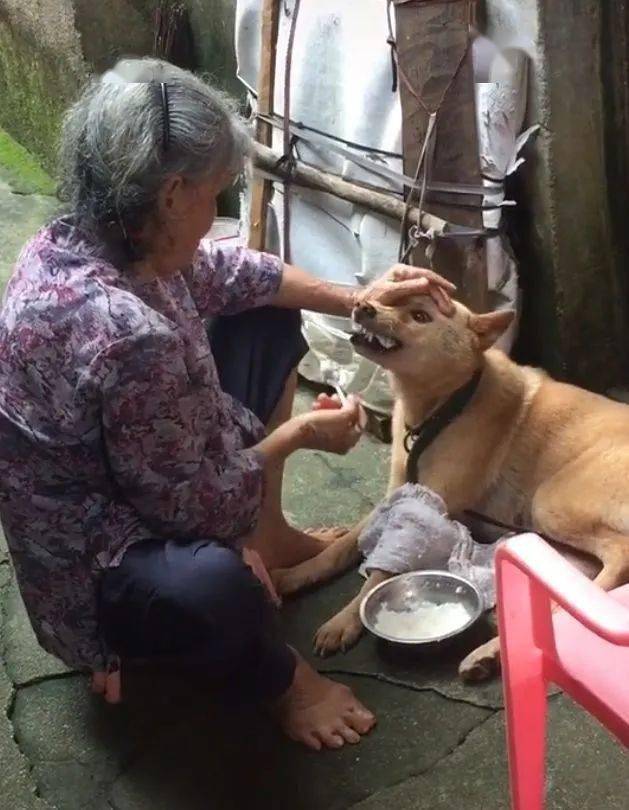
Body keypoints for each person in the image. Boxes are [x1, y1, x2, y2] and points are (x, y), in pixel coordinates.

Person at [0, 58, 454, 750]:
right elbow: (186, 506)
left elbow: (237, 272)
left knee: (267, 312)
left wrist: (356, 298)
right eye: (214, 194)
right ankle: (281, 683)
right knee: (213, 586)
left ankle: (264, 538)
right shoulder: (120, 330)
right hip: (96, 553)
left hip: (158, 462)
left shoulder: (85, 239)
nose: (215, 214)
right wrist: (298, 435)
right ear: (174, 195)